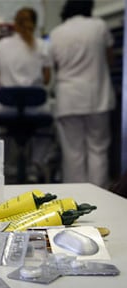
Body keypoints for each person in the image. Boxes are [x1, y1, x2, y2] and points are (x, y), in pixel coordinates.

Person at [49, 0, 115, 187]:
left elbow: (54, 65)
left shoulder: (56, 33)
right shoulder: (99, 26)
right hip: (97, 97)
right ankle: (100, 193)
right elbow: (110, 57)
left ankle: (77, 196)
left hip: (68, 99)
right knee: (98, 149)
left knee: (72, 152)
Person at [0, 7, 53, 181]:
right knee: (46, 127)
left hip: (5, 109)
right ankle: (36, 164)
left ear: (14, 24)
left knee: (2, 132)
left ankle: (6, 166)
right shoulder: (43, 46)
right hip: (36, 109)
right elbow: (47, 79)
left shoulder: (1, 46)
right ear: (35, 23)